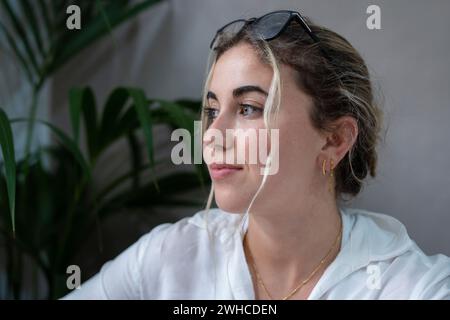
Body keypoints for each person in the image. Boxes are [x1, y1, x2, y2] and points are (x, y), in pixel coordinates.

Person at [63, 10, 450, 300]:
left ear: (334, 139)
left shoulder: (414, 287)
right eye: (212, 111)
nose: (212, 134)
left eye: (247, 108)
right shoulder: (171, 257)